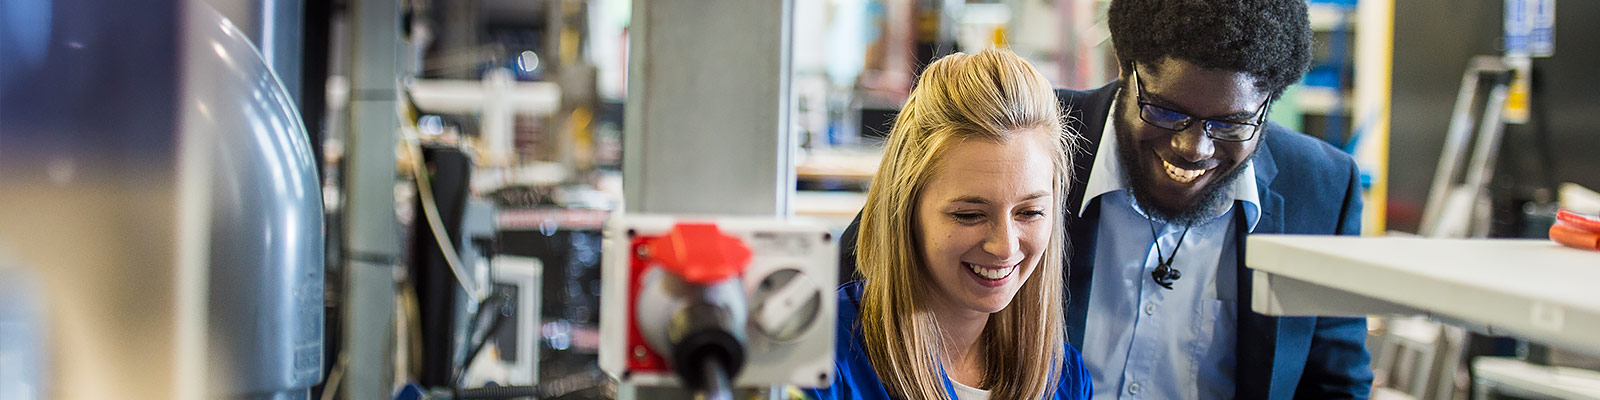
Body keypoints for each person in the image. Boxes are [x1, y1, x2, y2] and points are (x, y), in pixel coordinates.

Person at [839, 1, 1372, 398]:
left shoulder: (1321, 190)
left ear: (1269, 102)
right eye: (1167, 111)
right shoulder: (1022, 139)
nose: (1194, 148)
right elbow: (875, 264)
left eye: (1231, 123)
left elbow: (1334, 383)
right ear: (1125, 66)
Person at [809, 48, 1091, 400]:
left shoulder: (1066, 378)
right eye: (969, 215)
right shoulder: (816, 357)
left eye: (1030, 212)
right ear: (905, 208)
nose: (1005, 246)